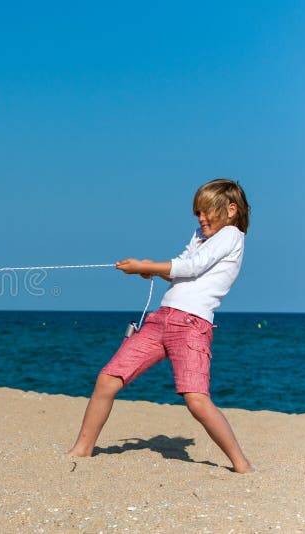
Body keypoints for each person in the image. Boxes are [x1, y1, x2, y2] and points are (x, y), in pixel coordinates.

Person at [66, 179, 252, 473]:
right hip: (160, 319)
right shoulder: (201, 235)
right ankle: (82, 450)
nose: (201, 219)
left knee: (197, 401)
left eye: (206, 212)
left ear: (230, 210)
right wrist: (149, 269)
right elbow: (181, 268)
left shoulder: (232, 235)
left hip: (192, 325)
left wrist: (146, 266)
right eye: (197, 214)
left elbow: (193, 267)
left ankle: (242, 465)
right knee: (107, 379)